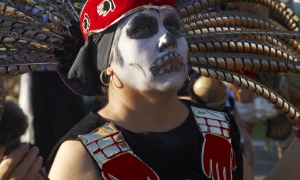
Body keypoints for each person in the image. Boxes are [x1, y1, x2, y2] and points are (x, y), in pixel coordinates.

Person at [1, 0, 300, 180]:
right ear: (108, 64)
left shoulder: (216, 127)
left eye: (172, 26)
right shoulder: (81, 155)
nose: (167, 39)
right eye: (143, 28)